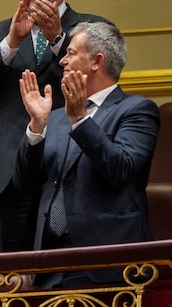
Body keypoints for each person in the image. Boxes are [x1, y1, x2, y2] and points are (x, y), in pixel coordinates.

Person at [0, 0, 111, 252]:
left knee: (67, 271)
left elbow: (103, 76)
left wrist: (58, 38)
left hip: (71, 163)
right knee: (14, 280)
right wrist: (13, 41)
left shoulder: (92, 27)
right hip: (11, 169)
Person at [14, 22, 158, 288]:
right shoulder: (56, 117)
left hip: (108, 261)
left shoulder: (136, 110)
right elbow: (25, 183)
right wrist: (35, 128)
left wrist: (80, 119)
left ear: (97, 61)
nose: (63, 61)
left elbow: (120, 168)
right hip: (50, 262)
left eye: (71, 53)